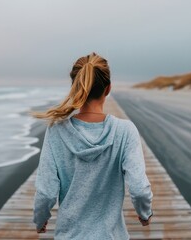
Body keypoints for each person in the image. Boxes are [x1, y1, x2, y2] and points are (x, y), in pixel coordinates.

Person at [30, 52, 153, 239]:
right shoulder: (125, 131)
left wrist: (40, 219)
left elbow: (46, 192)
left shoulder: (56, 131)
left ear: (75, 87)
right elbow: (139, 188)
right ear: (108, 89)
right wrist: (144, 213)